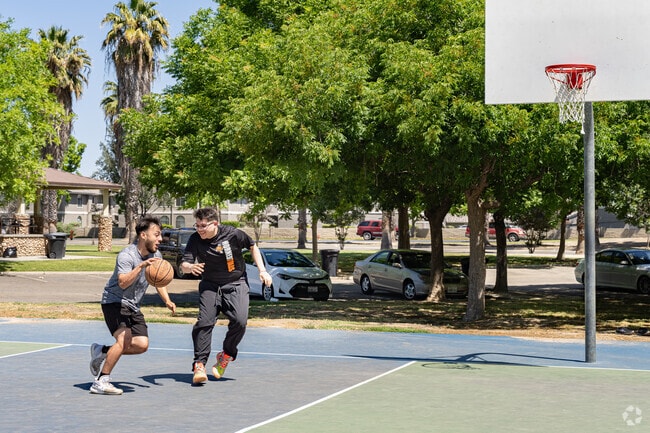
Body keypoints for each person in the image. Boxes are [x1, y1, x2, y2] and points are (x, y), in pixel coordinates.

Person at [180, 207, 272, 385]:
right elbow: (185, 263)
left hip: (236, 283)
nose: (199, 229)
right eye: (197, 225)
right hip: (210, 285)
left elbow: (253, 246)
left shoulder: (233, 234)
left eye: (203, 226)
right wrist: (189, 268)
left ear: (215, 224)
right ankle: (199, 364)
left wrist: (262, 271)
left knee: (240, 321)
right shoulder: (195, 239)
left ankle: (226, 354)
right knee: (205, 322)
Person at [89, 215, 176, 395]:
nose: (160, 239)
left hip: (133, 306)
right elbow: (122, 283)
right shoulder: (127, 255)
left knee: (142, 345)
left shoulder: (156, 255)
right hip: (114, 301)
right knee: (124, 339)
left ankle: (103, 350)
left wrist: (167, 300)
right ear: (143, 235)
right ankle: (101, 381)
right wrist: (140, 267)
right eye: (157, 234)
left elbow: (157, 280)